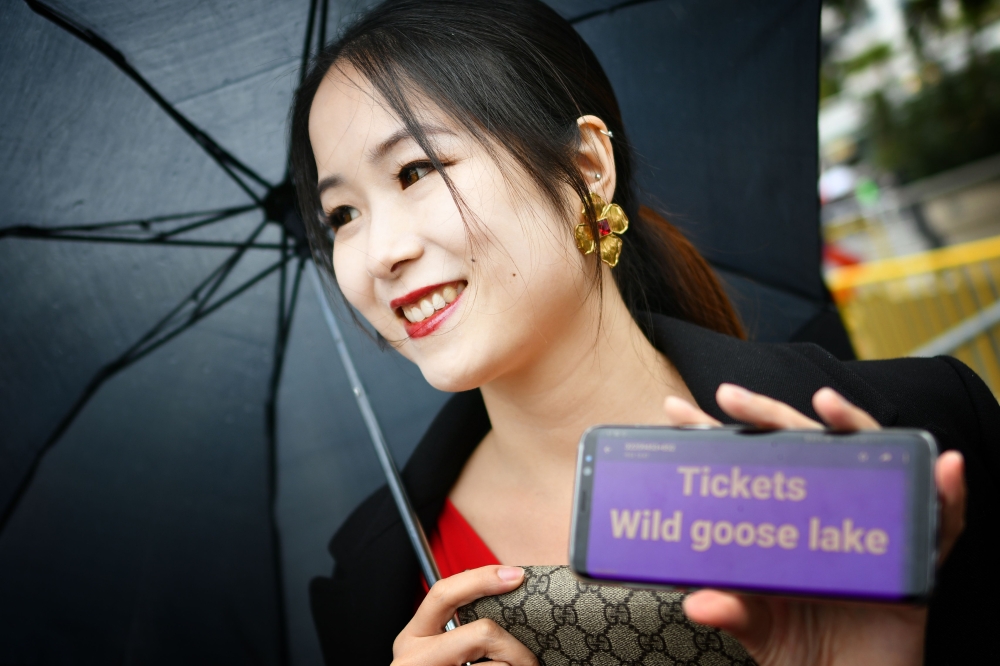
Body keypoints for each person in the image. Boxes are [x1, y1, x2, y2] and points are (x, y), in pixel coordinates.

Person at [289, 0, 998, 663]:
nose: (380, 253)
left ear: (587, 166)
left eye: (415, 169)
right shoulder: (369, 594)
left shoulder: (918, 440)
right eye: (342, 216)